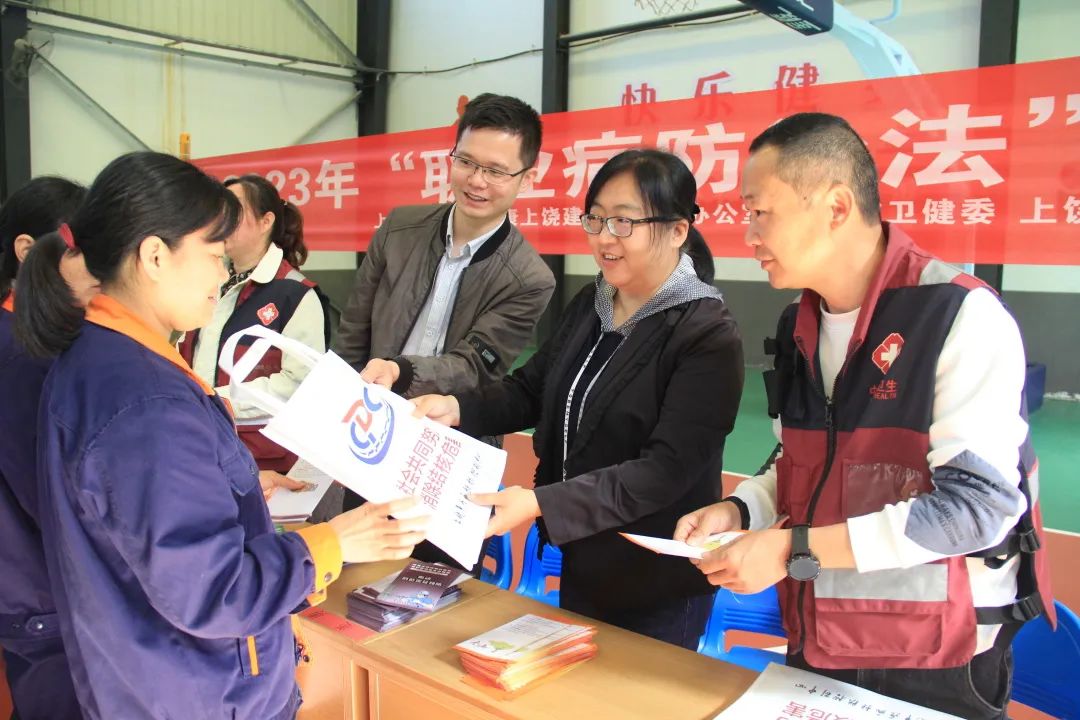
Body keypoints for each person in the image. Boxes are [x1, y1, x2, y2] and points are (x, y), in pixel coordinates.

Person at [13, 151, 428, 720]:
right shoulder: (145, 402)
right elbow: (213, 590)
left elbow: (140, 522)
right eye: (213, 255)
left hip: (145, 679)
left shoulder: (101, 359)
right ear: (155, 256)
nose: (222, 273)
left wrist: (234, 488)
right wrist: (334, 543)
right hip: (198, 694)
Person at [675, 113, 1054, 719]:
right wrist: (741, 510)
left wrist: (792, 548)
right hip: (820, 636)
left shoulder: (959, 316)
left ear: (836, 206)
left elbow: (977, 508)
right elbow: (799, 460)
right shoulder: (798, 324)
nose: (748, 235)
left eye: (760, 211)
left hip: (934, 657)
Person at [413, 149, 744, 648]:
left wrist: (541, 502)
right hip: (584, 552)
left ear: (678, 230)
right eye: (596, 219)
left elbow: (665, 471)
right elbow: (533, 388)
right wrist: (458, 408)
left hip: (657, 577)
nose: (605, 237)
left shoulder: (706, 334)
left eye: (624, 222)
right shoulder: (593, 303)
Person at [331, 93, 556, 566]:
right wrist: (342, 411)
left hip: (452, 455)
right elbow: (355, 327)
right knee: (354, 576)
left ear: (527, 178)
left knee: (435, 588)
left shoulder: (529, 278)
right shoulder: (400, 228)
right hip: (371, 435)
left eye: (496, 170)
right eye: (466, 162)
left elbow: (475, 367)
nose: (476, 180)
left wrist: (400, 370)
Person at [0, 176, 90, 719]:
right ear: (27, 249)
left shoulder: (33, 341)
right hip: (43, 597)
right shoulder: (23, 354)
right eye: (80, 250)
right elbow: (48, 491)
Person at [179, 173, 329, 481]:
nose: (222, 220)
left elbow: (299, 384)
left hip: (264, 462)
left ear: (266, 221)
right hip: (201, 447)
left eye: (234, 211)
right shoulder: (208, 281)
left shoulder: (295, 294)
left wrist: (216, 401)